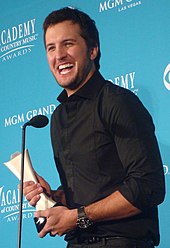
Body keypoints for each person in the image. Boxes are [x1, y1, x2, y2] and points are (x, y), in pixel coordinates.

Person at [23, 7, 165, 248]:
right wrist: (54, 198)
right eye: (51, 48)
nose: (59, 55)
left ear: (93, 49)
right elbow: (91, 192)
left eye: (68, 44)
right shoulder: (58, 118)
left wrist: (76, 217)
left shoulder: (117, 101)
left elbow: (147, 188)